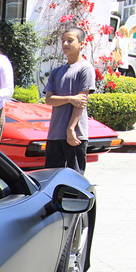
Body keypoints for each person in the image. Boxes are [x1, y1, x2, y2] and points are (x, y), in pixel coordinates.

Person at [44, 27, 94, 174]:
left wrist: (71, 129)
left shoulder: (85, 69)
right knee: (51, 176)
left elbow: (81, 103)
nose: (65, 44)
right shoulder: (56, 71)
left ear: (81, 44)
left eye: (70, 40)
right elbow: (49, 100)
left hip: (74, 135)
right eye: (63, 41)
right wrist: (71, 99)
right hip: (55, 133)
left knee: (75, 178)